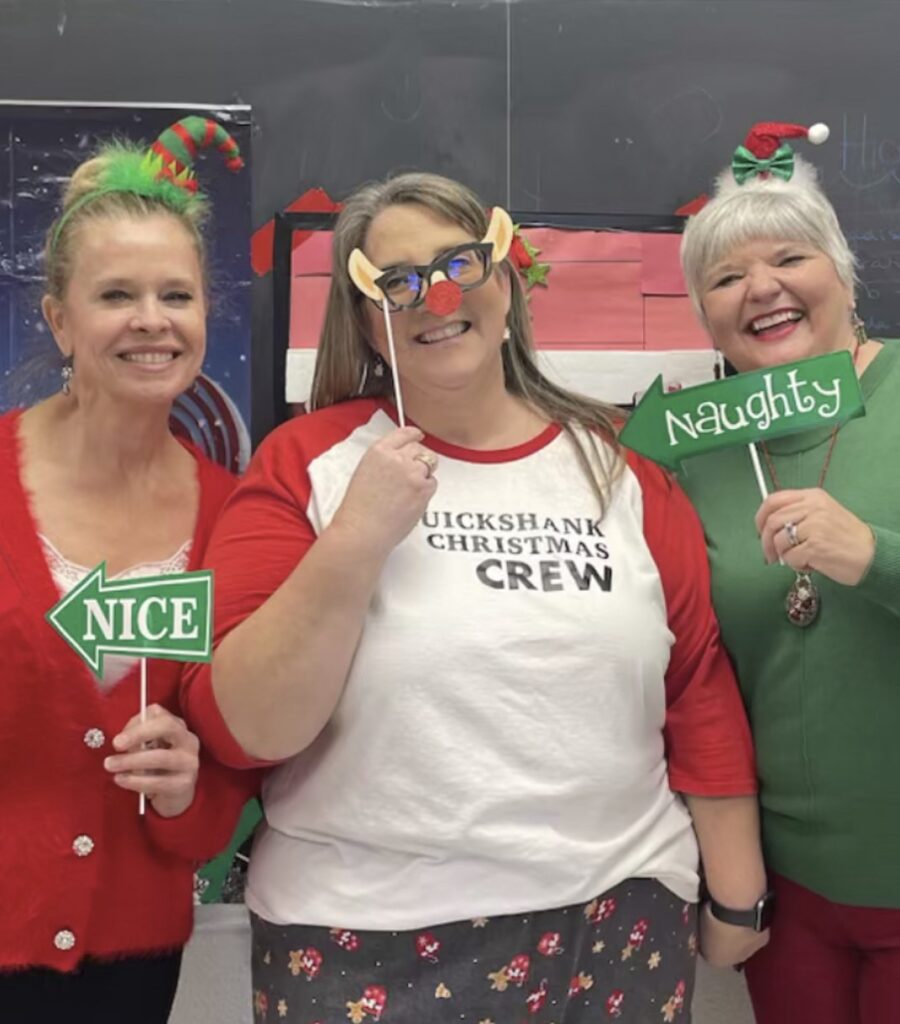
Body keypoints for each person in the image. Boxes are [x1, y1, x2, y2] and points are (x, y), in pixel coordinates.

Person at [183, 171, 767, 1024]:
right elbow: (248, 727)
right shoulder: (306, 465)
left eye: (460, 264)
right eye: (399, 282)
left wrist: (738, 896)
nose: (436, 298)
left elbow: (697, 688)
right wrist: (355, 539)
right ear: (366, 321)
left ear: (506, 281)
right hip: (361, 936)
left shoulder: (620, 471)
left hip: (617, 922)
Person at [0, 118, 257, 1024]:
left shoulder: (240, 517)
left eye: (176, 295)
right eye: (117, 294)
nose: (152, 321)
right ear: (60, 319)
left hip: (134, 960)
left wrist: (191, 789)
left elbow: (232, 770)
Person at [679, 120, 900, 1024]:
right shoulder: (694, 452)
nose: (760, 288)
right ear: (706, 316)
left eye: (789, 258)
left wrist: (877, 557)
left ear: (845, 274)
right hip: (788, 892)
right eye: (726, 278)